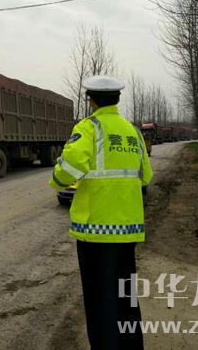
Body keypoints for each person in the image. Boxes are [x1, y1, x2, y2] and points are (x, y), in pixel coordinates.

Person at [49, 75, 153, 349]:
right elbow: (146, 176)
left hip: (96, 233)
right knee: (126, 298)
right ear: (117, 99)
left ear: (91, 101)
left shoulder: (88, 128)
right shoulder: (133, 132)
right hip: (128, 232)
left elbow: (69, 169)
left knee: (100, 301)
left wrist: (57, 179)